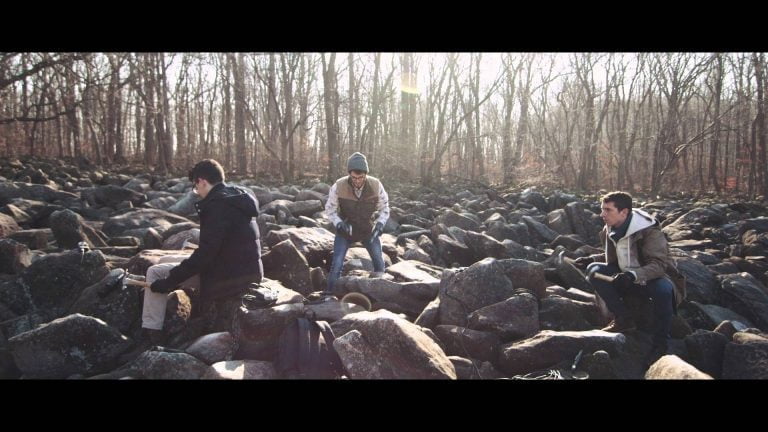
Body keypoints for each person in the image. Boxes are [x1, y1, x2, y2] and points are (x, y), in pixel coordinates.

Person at [145, 159, 263, 339]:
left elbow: (206, 255)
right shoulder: (236, 196)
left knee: (155, 273)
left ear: (202, 181)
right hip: (247, 269)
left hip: (230, 277)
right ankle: (178, 315)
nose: (197, 192)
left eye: (195, 187)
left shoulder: (217, 205)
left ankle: (150, 334)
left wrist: (170, 281)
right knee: (163, 261)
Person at [573, 191, 685, 359]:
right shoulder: (609, 228)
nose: (602, 214)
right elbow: (618, 255)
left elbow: (659, 265)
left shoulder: (649, 231)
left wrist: (632, 275)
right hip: (625, 277)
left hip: (652, 278)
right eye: (602, 209)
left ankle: (661, 342)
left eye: (608, 210)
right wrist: (591, 259)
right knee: (594, 270)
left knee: (663, 290)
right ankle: (624, 319)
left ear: (624, 212)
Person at [325, 152, 390, 294]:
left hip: (368, 230)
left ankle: (381, 295)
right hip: (345, 230)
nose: (357, 181)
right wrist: (338, 223)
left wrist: (380, 224)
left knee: (379, 262)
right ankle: (329, 295)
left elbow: (385, 208)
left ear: (366, 174)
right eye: (354, 177)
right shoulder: (338, 186)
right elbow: (330, 209)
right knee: (336, 264)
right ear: (349, 174)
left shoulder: (376, 185)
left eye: (361, 177)